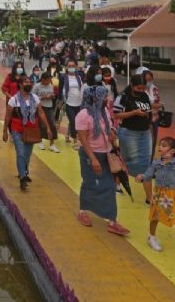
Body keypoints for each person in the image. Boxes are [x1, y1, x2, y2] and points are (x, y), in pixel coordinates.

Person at [136, 137, 175, 268]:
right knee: (154, 217)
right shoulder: (156, 163)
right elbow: (148, 175)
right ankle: (151, 237)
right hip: (159, 195)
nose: (159, 147)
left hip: (172, 198)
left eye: (163, 145)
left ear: (172, 151)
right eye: (159, 145)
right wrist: (142, 176)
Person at [75, 84, 130, 236]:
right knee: (89, 183)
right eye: (104, 97)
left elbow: (110, 127)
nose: (108, 99)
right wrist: (92, 159)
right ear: (95, 98)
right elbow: (84, 139)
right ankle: (82, 211)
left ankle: (112, 221)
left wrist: (112, 133)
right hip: (90, 155)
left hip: (105, 154)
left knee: (110, 186)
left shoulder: (103, 111)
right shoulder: (83, 115)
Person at [3, 76, 50, 190]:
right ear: (20, 85)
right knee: (20, 153)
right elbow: (8, 116)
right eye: (25, 82)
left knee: (27, 155)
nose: (28, 84)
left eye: (29, 82)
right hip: (17, 130)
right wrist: (4, 131)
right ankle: (23, 178)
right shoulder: (14, 100)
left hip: (32, 130)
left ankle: (24, 172)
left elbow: (41, 113)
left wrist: (47, 127)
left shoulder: (35, 98)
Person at [114, 74, 154, 204]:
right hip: (129, 133)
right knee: (127, 162)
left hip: (144, 132)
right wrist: (134, 113)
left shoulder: (145, 96)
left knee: (146, 164)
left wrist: (149, 122)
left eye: (143, 88)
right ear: (132, 85)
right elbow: (116, 114)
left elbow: (149, 111)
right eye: (138, 87)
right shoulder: (123, 97)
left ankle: (149, 197)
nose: (141, 90)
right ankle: (117, 183)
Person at [32, 72, 59, 152]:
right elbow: (32, 97)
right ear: (43, 79)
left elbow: (52, 94)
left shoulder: (50, 86)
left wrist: (52, 96)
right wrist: (41, 97)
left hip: (49, 107)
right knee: (41, 125)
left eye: (49, 80)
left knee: (52, 125)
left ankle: (52, 144)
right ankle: (40, 141)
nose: (48, 82)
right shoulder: (37, 86)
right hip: (40, 107)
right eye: (47, 80)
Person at [61, 59, 85, 148]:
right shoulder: (63, 77)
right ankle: (75, 140)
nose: (71, 67)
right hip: (69, 103)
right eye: (69, 66)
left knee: (74, 121)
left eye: (73, 66)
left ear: (76, 66)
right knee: (74, 121)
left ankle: (67, 134)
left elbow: (82, 88)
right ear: (66, 67)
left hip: (79, 103)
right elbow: (61, 89)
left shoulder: (79, 77)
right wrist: (61, 100)